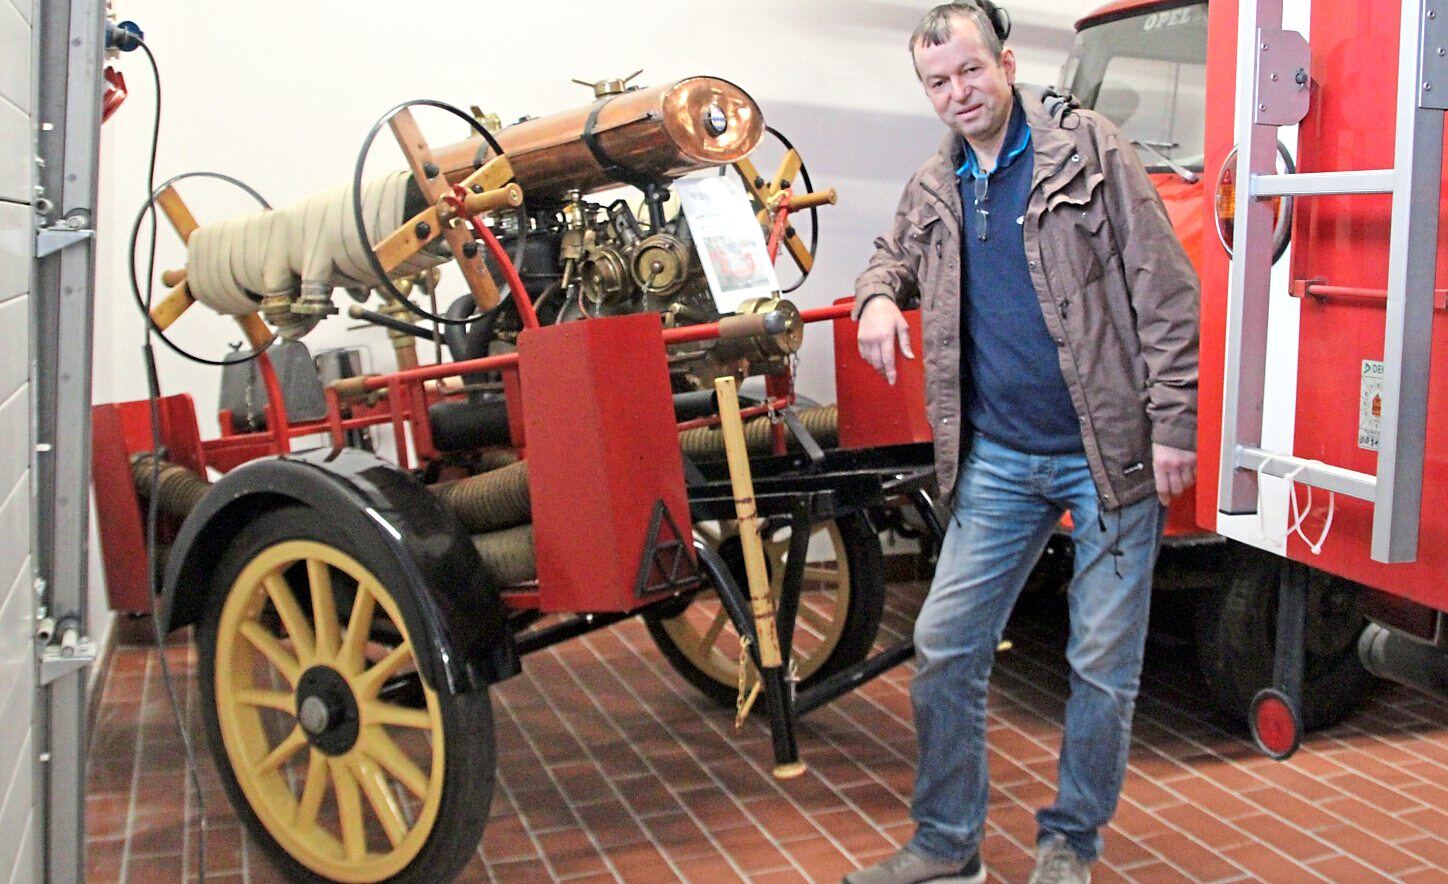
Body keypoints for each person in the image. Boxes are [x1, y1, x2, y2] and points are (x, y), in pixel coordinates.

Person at [842, 3, 1199, 883]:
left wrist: (1174, 425)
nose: (957, 93)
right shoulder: (936, 185)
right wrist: (878, 297)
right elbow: (889, 254)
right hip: (998, 458)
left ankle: (1070, 841)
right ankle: (946, 843)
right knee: (945, 646)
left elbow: (1167, 290)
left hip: (1109, 454)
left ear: (1004, 63)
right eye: (937, 83)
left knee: (1101, 667)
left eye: (969, 72)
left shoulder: (1090, 151)